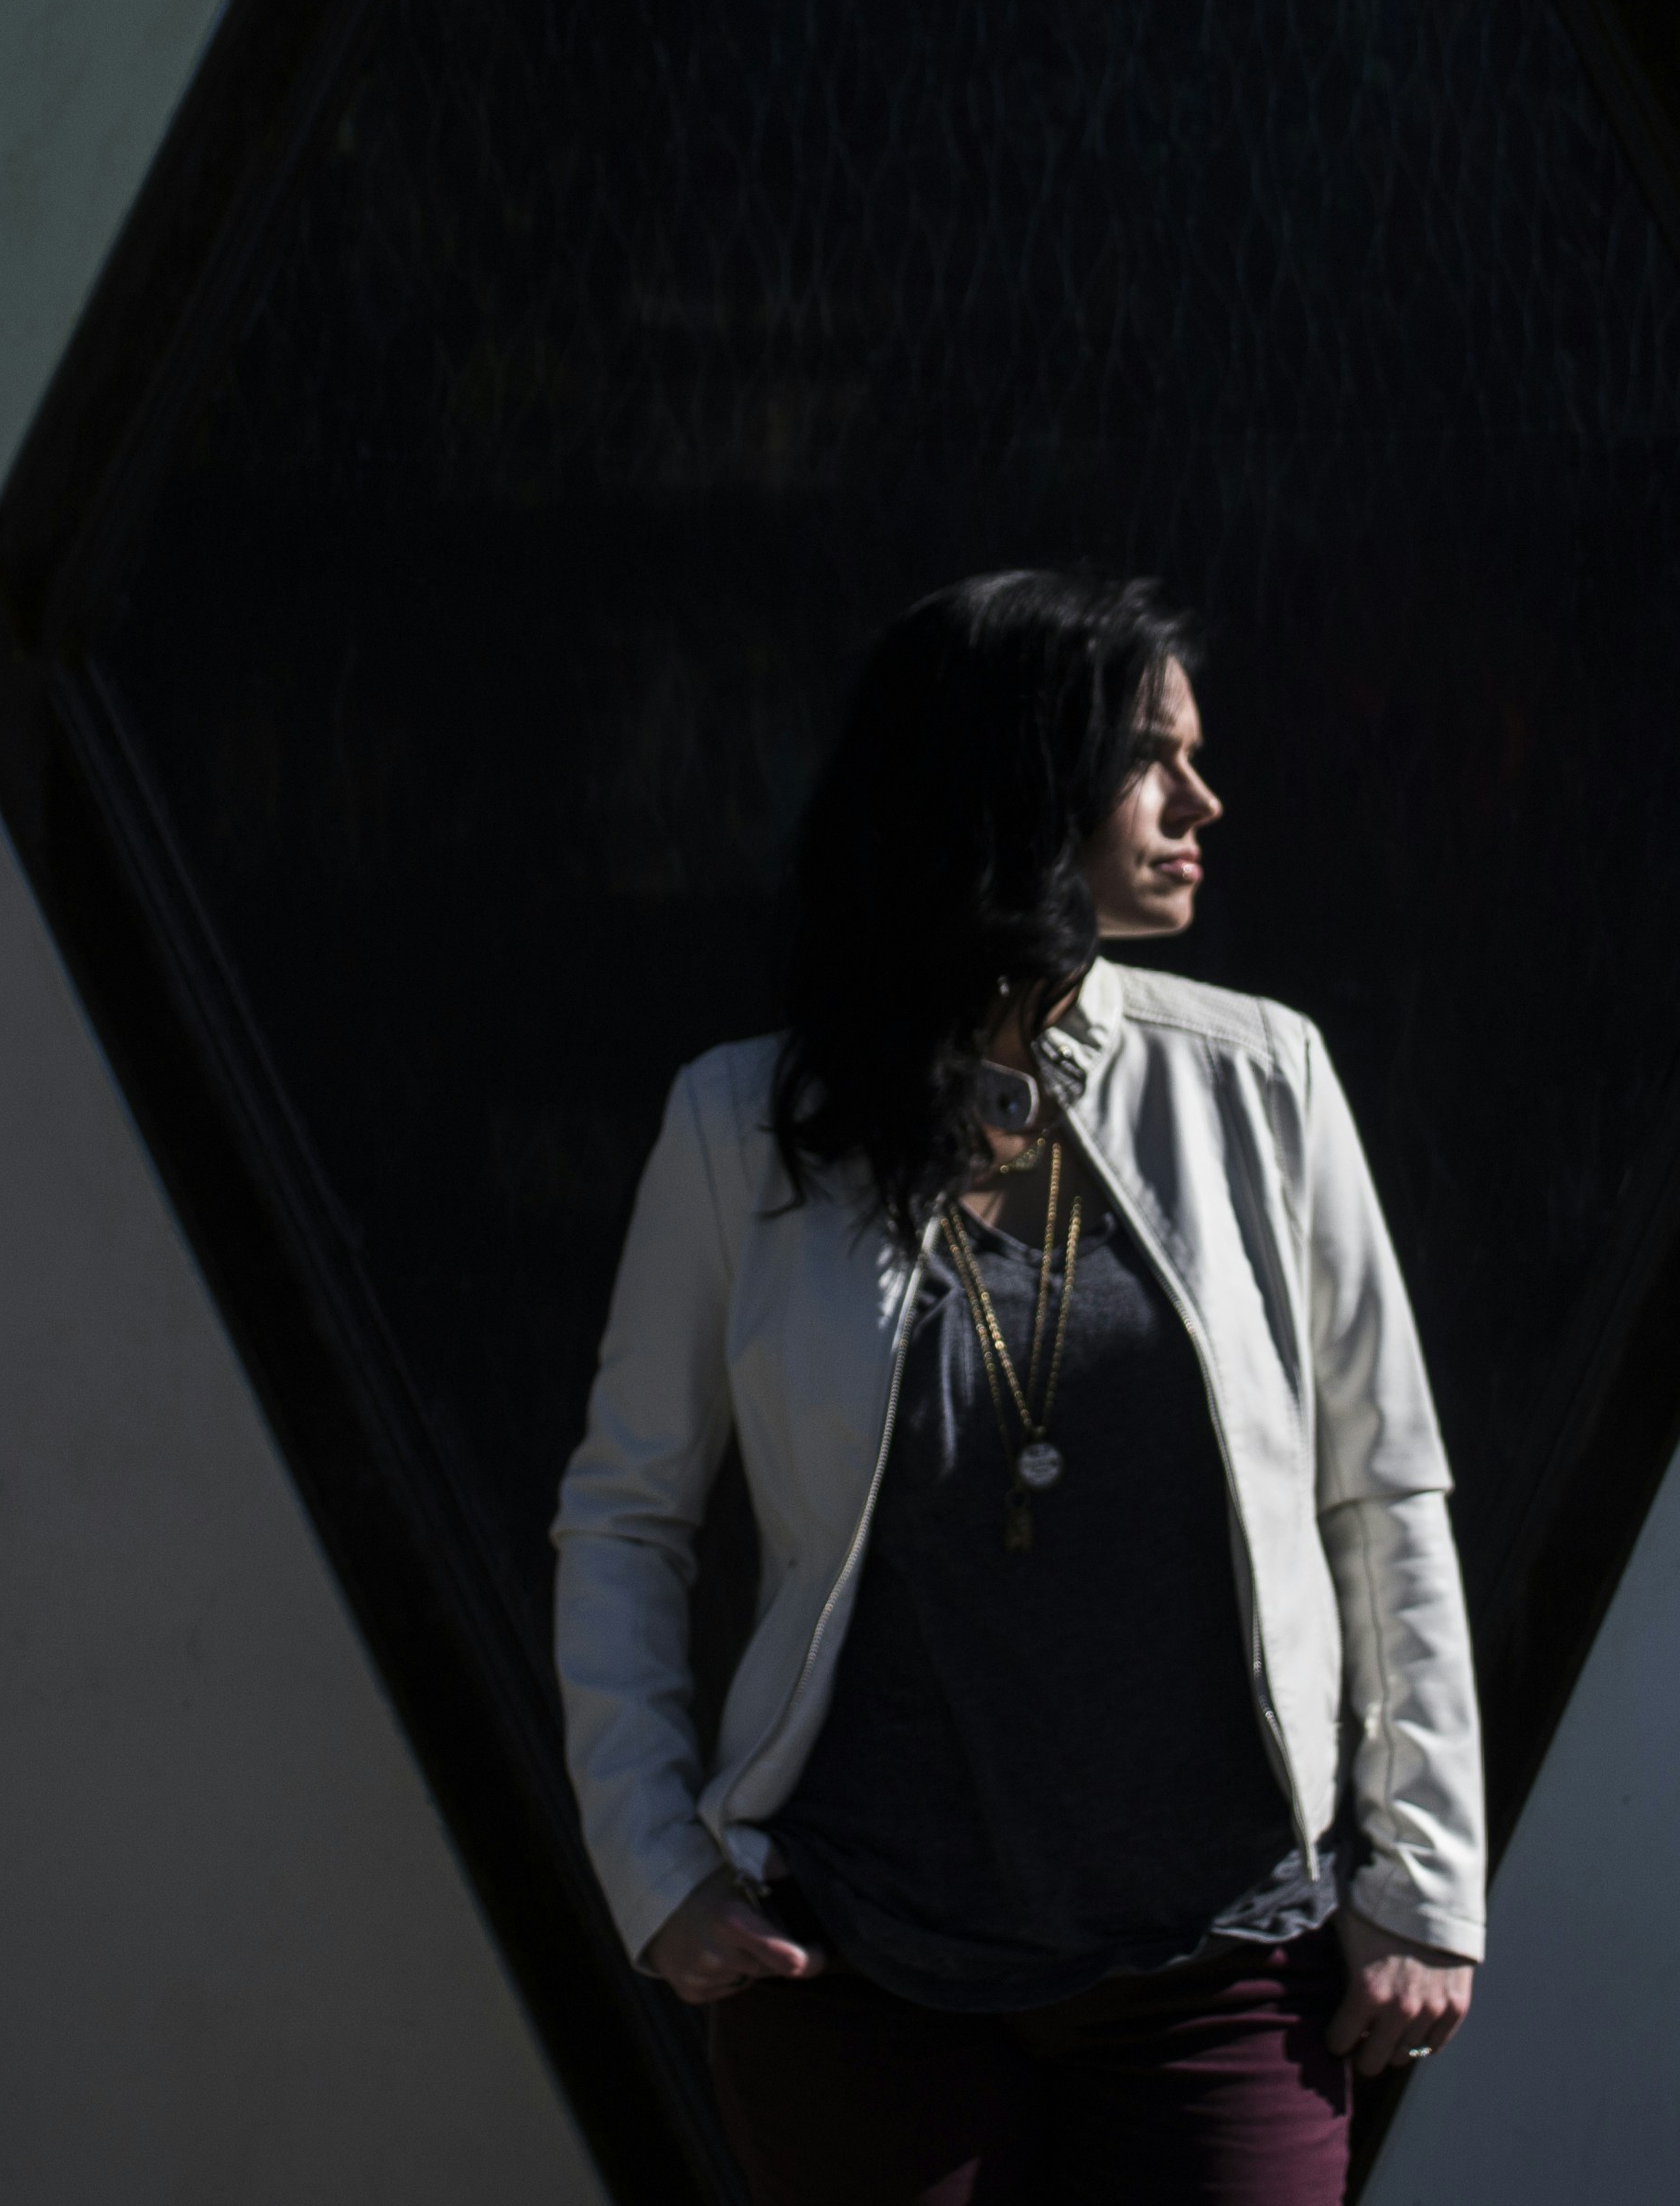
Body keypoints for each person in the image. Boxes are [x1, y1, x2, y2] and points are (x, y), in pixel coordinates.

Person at [555, 570, 1484, 2205]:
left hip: (1219, 1968)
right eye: (1152, 758)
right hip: (857, 1974)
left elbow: (1381, 1491)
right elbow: (626, 1516)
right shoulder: (742, 1128)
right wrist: (656, 1864)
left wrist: (1421, 1877)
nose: (1205, 798)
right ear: (1012, 784)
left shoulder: (1262, 1082)